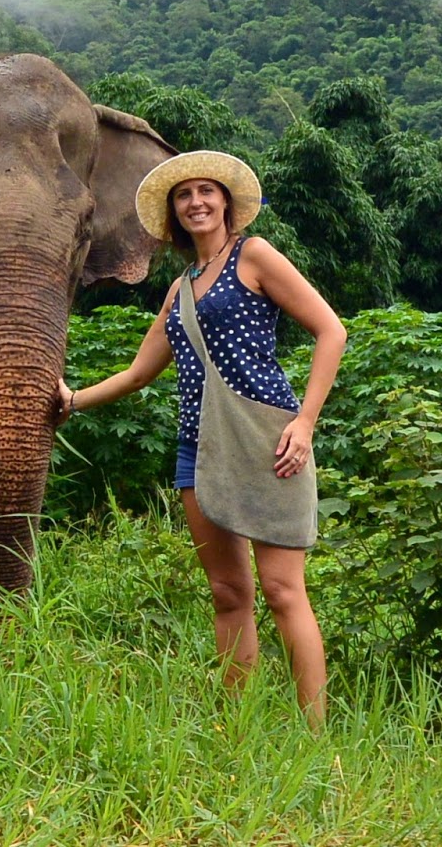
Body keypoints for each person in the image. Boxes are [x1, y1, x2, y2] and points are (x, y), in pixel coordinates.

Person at [56, 151, 346, 726]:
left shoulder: (255, 255)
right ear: (174, 213)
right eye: (183, 195)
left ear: (226, 202)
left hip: (267, 437)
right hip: (198, 443)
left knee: (283, 591)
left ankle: (317, 738)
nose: (196, 202)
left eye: (206, 191)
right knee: (228, 593)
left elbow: (330, 330)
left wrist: (305, 421)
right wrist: (72, 399)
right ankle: (234, 728)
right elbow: (140, 373)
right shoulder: (182, 289)